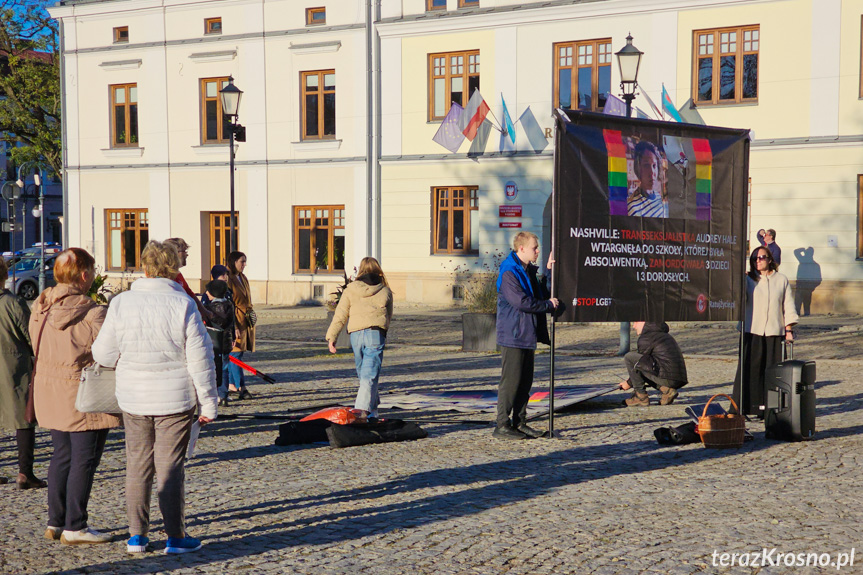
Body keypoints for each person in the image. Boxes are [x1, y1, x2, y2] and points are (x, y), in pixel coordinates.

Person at [92, 240, 218, 555]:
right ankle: (175, 537)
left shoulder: (122, 303)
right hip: (175, 399)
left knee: (137, 465)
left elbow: (104, 354)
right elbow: (200, 360)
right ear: (173, 269)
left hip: (133, 397)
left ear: (144, 268)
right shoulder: (183, 305)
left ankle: (137, 536)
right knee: (170, 466)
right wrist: (210, 403)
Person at [29, 248, 121, 544]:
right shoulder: (93, 312)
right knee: (84, 459)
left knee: (62, 456)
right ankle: (75, 525)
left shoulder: (39, 307)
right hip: (83, 393)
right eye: (92, 271)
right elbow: (110, 352)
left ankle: (56, 522)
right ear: (84, 275)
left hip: (49, 389)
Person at [494, 232, 559, 440]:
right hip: (513, 335)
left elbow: (541, 292)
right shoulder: (509, 271)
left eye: (537, 247)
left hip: (526, 334)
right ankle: (502, 425)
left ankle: (520, 422)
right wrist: (548, 306)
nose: (537, 250)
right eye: (534, 247)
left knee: (525, 382)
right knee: (511, 382)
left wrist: (549, 271)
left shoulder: (527, 270)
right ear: (521, 248)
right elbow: (521, 302)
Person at [732, 246, 798, 417]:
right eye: (754, 258)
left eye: (761, 257)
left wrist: (789, 329)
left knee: (773, 372)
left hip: (774, 332)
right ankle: (745, 407)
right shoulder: (748, 280)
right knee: (749, 370)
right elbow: (739, 301)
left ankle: (770, 409)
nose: (758, 261)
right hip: (751, 330)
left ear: (770, 259)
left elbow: (788, 305)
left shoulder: (781, 280)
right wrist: (739, 282)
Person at [325, 257, 393, 418]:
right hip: (375, 333)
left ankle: (372, 411)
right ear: (379, 271)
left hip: (355, 335)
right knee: (369, 375)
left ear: (361, 270)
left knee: (365, 375)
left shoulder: (350, 289)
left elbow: (340, 315)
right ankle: (361, 414)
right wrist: (383, 331)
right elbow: (388, 316)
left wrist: (331, 337)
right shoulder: (385, 290)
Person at [0, 258, 45, 489]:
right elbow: (32, 336)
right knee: (24, 420)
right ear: (4, 275)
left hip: (9, 365)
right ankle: (25, 472)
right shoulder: (13, 303)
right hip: (13, 367)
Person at [619, 322, 688, 406]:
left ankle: (640, 397)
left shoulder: (647, 337)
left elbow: (639, 365)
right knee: (644, 365)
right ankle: (667, 391)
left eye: (636, 322)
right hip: (678, 379)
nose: (633, 326)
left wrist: (628, 383)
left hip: (667, 378)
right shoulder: (663, 335)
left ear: (643, 322)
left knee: (630, 357)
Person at [226, 251, 254, 400]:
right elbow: (229, 304)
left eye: (245, 261)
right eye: (241, 261)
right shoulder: (228, 279)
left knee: (238, 353)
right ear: (233, 262)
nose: (244, 265)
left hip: (245, 319)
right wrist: (233, 326)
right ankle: (241, 386)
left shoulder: (243, 278)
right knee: (235, 354)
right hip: (235, 319)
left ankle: (231, 384)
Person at [202, 279, 234, 408]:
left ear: (212, 293)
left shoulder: (209, 308)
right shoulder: (230, 305)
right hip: (226, 341)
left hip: (213, 342)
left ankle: (214, 395)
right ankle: (224, 395)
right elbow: (232, 323)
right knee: (225, 368)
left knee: (213, 369)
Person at [164, 238, 213, 322]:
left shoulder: (178, 274)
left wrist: (203, 310)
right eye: (184, 251)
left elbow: (189, 293)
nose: (187, 255)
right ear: (173, 253)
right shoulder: (165, 277)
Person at [627, 140, 668, 218]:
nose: (652, 173)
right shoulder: (632, 207)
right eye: (646, 165)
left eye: (654, 166)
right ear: (638, 168)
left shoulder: (658, 197)